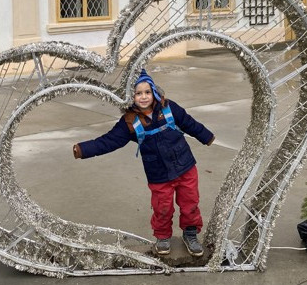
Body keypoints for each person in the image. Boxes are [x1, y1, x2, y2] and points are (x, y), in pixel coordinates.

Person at [73, 69, 214, 258]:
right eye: (138, 93)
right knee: (162, 208)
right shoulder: (129, 122)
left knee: (190, 203)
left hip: (185, 167)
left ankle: (190, 234)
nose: (144, 97)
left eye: (147, 92)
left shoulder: (168, 108)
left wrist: (206, 136)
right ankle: (162, 237)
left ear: (154, 91)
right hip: (158, 175)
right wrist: (83, 149)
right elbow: (109, 141)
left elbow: (189, 123)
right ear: (130, 97)